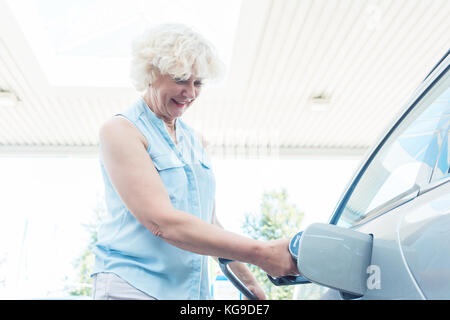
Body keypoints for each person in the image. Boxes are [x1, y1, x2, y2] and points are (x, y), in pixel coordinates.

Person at [91, 23, 298, 300]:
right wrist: (262, 253)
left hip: (188, 292)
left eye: (197, 82)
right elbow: (162, 222)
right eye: (180, 79)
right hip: (132, 286)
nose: (190, 92)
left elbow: (208, 222)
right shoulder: (121, 131)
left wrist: (249, 284)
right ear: (151, 74)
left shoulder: (195, 140)